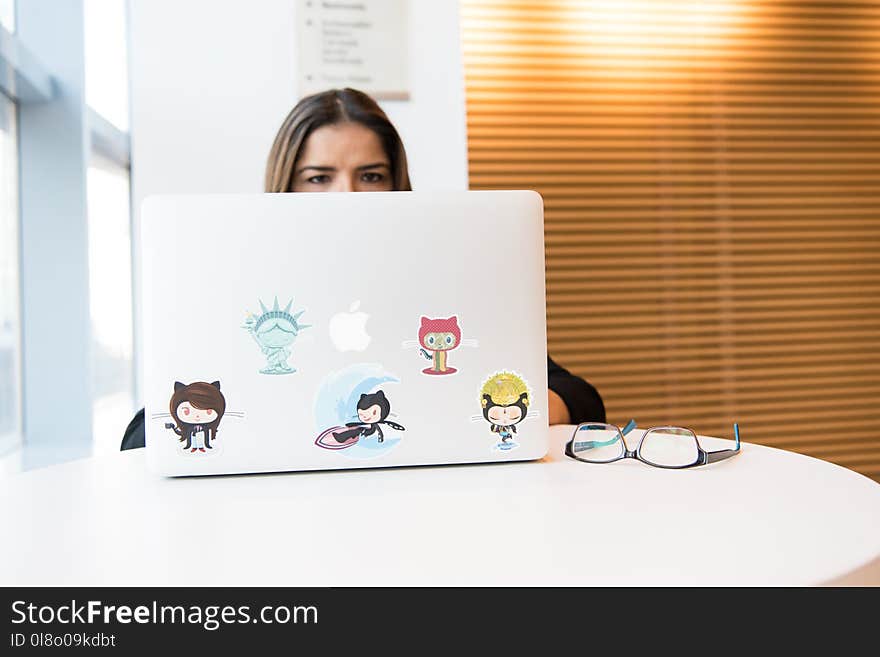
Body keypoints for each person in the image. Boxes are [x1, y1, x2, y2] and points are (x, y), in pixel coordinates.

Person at [121, 88, 604, 450]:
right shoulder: (245, 292)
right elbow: (143, 434)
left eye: (371, 176)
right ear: (284, 186)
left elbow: (579, 398)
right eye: (319, 177)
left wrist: (505, 409)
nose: (347, 196)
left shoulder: (441, 280)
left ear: (398, 185)